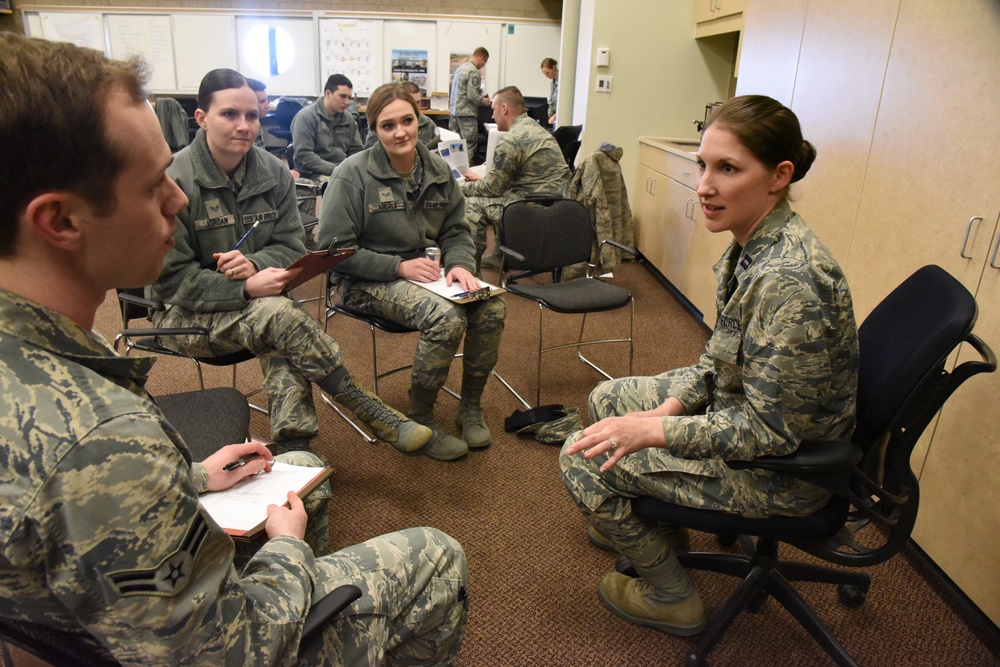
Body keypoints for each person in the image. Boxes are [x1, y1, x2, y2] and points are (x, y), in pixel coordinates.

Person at [0, 33, 468, 665]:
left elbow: (291, 249)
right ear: (59, 221)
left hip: (103, 606)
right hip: (188, 319)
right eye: (151, 184)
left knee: (281, 354)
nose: (179, 199)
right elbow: (228, 652)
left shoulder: (40, 367)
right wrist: (287, 550)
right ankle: (366, 416)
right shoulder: (104, 440)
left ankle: (300, 440)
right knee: (438, 555)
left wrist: (191, 477)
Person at [559, 95, 860, 636]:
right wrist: (665, 412)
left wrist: (659, 430)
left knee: (581, 460)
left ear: (779, 175)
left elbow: (769, 433)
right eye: (703, 164)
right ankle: (664, 526)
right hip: (751, 418)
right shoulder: (754, 244)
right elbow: (719, 360)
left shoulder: (788, 280)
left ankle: (672, 597)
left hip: (783, 474)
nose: (704, 185)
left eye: (728, 168)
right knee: (608, 402)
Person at [150, 68, 432, 456]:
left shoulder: (272, 172)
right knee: (279, 317)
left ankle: (294, 447)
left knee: (278, 325)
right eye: (229, 115)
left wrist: (254, 264)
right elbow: (167, 281)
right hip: (182, 315)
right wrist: (244, 287)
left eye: (252, 116)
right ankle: (364, 405)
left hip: (259, 309)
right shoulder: (173, 180)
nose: (244, 125)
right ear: (201, 119)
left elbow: (292, 244)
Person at [319, 83, 507, 462]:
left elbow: (456, 230)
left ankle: (469, 405)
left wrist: (458, 266)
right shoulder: (352, 175)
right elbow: (334, 252)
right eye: (388, 125)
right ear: (374, 129)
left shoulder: (437, 169)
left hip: (428, 276)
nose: (401, 132)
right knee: (447, 317)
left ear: (418, 119)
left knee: (491, 308)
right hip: (365, 281)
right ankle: (421, 416)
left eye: (407, 120)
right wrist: (398, 266)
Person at [461, 85, 571, 269]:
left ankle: (468, 268)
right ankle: (499, 255)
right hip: (555, 203)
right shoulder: (536, 129)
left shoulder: (512, 140)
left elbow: (492, 189)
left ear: (504, 109)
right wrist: (484, 182)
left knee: (471, 204)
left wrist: (458, 188)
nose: (492, 116)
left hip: (532, 207)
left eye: (494, 110)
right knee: (499, 196)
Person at [290, 73, 364, 182]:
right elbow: (304, 155)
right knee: (341, 187)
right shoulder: (306, 117)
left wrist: (352, 169)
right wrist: (334, 169)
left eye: (349, 97)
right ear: (328, 93)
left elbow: (356, 151)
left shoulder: (349, 119)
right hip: (312, 172)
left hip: (341, 170)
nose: (347, 102)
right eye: (343, 96)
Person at [365, 80, 438, 149]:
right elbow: (370, 148)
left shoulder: (427, 122)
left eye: (408, 121)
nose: (415, 106)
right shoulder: (381, 120)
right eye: (389, 126)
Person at [448, 47, 490, 164]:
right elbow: (472, 96)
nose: (483, 65)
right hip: (466, 114)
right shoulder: (473, 71)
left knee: (454, 145)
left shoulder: (459, 69)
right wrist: (484, 102)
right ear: (481, 57)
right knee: (469, 144)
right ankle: (467, 175)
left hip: (454, 113)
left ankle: (454, 173)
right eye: (484, 61)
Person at [540, 57, 559, 127]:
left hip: (559, 117)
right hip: (554, 118)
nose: (547, 76)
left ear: (554, 68)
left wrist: (554, 116)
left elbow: (563, 104)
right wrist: (546, 117)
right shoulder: (553, 82)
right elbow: (552, 103)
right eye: (545, 74)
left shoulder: (562, 80)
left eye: (548, 73)